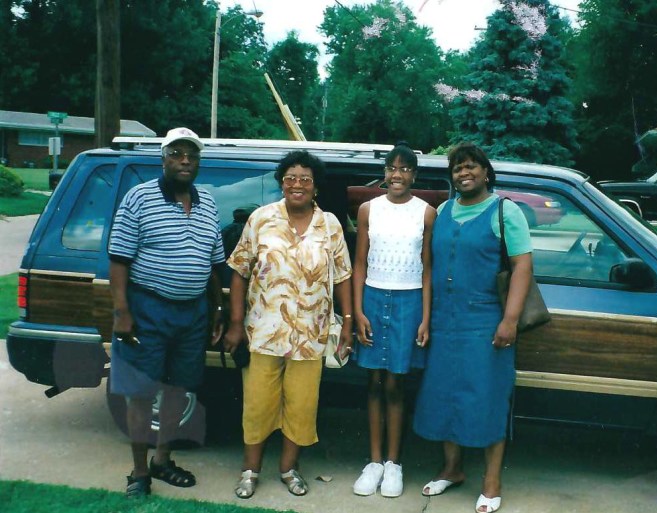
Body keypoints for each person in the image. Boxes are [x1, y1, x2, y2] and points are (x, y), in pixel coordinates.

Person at [224, 150, 353, 499]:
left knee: (301, 405)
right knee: (258, 404)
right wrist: (235, 322)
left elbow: (343, 277)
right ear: (282, 183)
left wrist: (349, 324)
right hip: (263, 332)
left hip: (311, 334)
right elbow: (238, 271)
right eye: (291, 178)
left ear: (315, 187)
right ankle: (250, 471)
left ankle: (288, 469)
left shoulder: (330, 225)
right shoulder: (261, 219)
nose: (297, 184)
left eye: (305, 179)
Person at [413, 142, 533, 513]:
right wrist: (427, 319)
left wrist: (509, 320)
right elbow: (429, 267)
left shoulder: (504, 212)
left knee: (487, 400)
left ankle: (491, 481)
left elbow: (522, 268)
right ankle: (452, 469)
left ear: (486, 172)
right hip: (445, 322)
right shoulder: (444, 210)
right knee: (444, 395)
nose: (463, 174)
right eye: (457, 169)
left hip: (486, 323)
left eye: (471, 167)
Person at [108, 127, 225, 498]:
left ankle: (163, 460)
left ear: (199, 161)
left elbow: (212, 263)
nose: (185, 160)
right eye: (177, 153)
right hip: (147, 310)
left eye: (191, 154)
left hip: (192, 314)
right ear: (164, 157)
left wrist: (217, 308)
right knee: (140, 394)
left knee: (177, 392)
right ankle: (139, 473)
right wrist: (122, 312)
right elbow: (119, 259)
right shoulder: (139, 198)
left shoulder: (207, 201)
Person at [351, 143, 436, 498]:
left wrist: (426, 317)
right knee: (373, 383)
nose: (396, 175)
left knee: (396, 385)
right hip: (372, 297)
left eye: (404, 169)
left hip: (409, 301)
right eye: (391, 168)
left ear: (414, 175)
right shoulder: (368, 209)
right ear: (384, 172)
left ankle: (393, 463)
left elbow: (429, 268)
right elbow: (359, 264)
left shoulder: (427, 213)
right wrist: (357, 312)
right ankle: (373, 462)